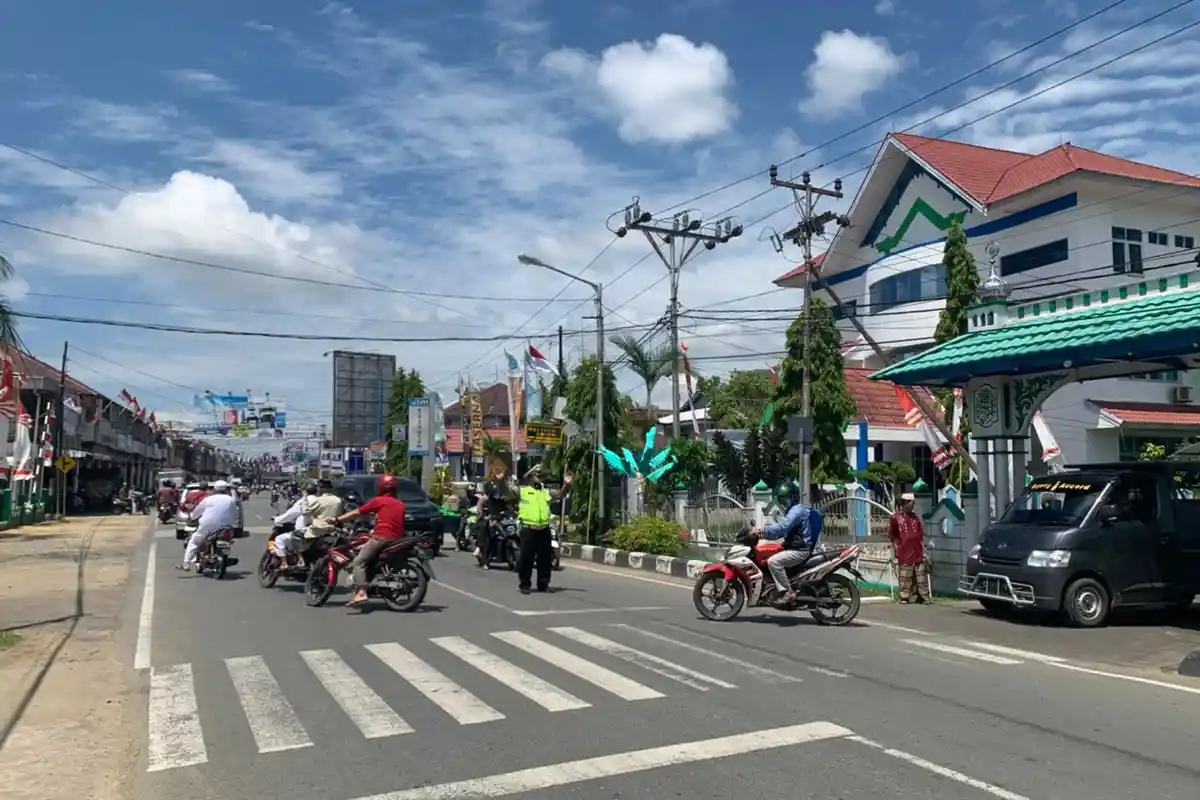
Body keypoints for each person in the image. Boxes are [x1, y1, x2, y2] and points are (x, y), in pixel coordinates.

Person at [334, 474, 408, 608]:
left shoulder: (379, 501)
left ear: (380, 487)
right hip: (397, 539)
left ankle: (361, 592)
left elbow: (357, 512)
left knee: (358, 562)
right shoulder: (401, 504)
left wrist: (338, 519)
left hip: (381, 537)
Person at [755, 482, 814, 606]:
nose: (784, 501)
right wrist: (763, 535)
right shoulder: (791, 510)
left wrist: (764, 530)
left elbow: (783, 527)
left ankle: (788, 592)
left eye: (786, 498)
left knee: (773, 562)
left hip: (799, 550)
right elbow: (780, 532)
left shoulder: (797, 511)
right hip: (793, 548)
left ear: (793, 497)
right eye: (781, 498)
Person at [515, 464, 562, 594]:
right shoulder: (522, 491)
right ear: (530, 477)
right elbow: (507, 491)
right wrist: (500, 481)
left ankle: (543, 584)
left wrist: (567, 485)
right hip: (528, 529)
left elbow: (560, 495)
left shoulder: (546, 492)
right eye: (537, 476)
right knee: (526, 559)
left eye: (541, 477)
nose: (540, 479)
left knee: (545, 559)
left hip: (544, 529)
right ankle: (525, 584)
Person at [178, 480, 239, 572]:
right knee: (228, 539)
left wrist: (193, 518)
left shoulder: (209, 499)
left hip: (208, 525)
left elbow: (198, 511)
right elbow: (235, 514)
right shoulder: (231, 500)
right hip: (226, 525)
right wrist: (232, 522)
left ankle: (186, 564)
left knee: (194, 541)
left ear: (215, 489)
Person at [889, 492, 929, 604]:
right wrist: (896, 548)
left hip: (917, 550)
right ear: (905, 503)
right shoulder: (896, 518)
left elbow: (920, 534)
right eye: (911, 503)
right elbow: (892, 535)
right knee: (905, 576)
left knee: (921, 576)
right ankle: (904, 597)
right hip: (904, 550)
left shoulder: (915, 518)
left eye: (913, 503)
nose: (912, 506)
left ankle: (923, 596)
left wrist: (923, 548)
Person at [475, 464, 513, 569]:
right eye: (499, 473)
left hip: (504, 512)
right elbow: (494, 495)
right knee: (490, 538)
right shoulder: (489, 485)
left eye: (502, 473)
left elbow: (510, 497)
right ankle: (486, 561)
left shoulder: (505, 486)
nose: (501, 475)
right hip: (492, 513)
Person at [272, 482, 318, 564]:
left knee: (279, 539)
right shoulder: (320, 500)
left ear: (304, 491)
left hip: (303, 533)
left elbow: (290, 515)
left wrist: (277, 520)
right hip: (317, 531)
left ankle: (284, 563)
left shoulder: (304, 501)